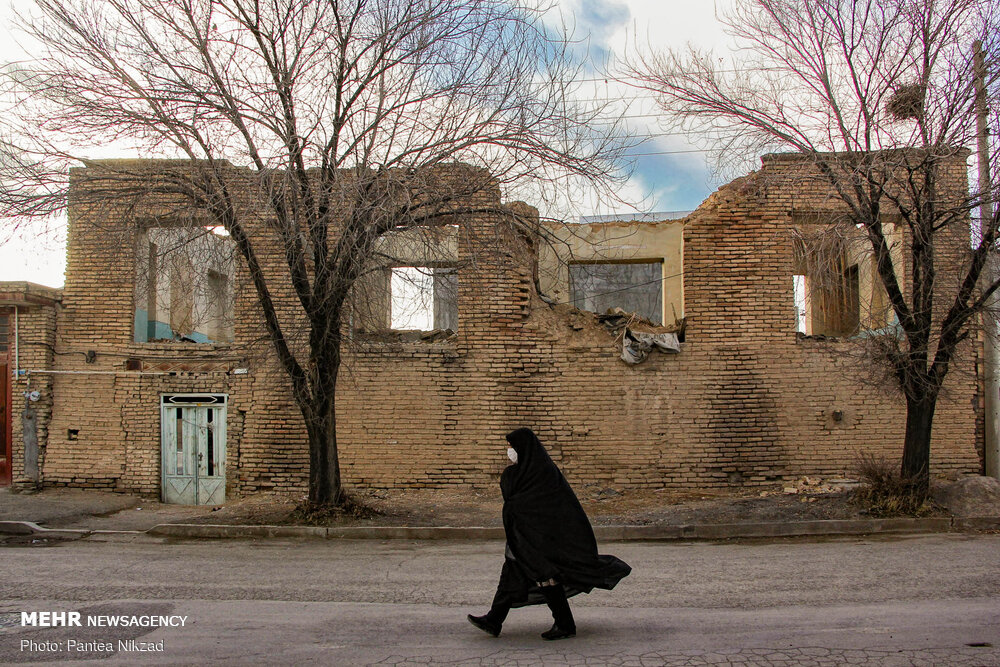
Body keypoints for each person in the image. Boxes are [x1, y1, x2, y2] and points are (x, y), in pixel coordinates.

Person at [468, 427, 632, 640]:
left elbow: (555, 507)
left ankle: (564, 624)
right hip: (523, 538)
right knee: (512, 572)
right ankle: (494, 619)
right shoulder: (526, 473)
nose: (509, 451)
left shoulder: (541, 474)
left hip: (543, 539)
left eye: (511, 447)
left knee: (546, 577)